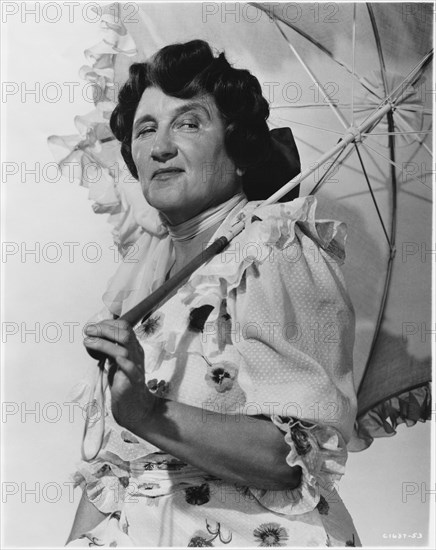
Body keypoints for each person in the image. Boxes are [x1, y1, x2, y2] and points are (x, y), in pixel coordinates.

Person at [66, 40, 361, 547]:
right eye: (145, 128)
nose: (160, 146)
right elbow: (110, 470)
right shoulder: (142, 277)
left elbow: (289, 459)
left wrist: (149, 412)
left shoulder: (274, 247)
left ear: (238, 146)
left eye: (188, 123)